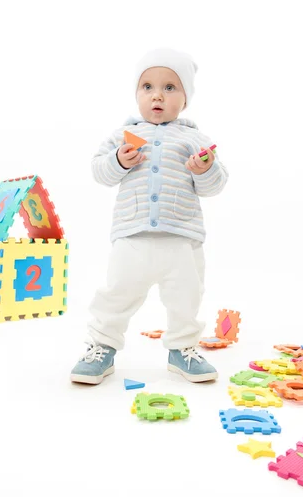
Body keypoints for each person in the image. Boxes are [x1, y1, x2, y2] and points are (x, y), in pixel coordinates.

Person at [70, 47, 229, 384]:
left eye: (170, 87)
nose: (157, 94)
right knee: (116, 293)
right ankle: (101, 346)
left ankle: (182, 350)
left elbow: (215, 185)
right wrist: (118, 160)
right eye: (148, 87)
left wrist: (205, 168)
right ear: (137, 94)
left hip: (182, 237)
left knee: (187, 296)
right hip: (133, 235)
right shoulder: (123, 136)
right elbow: (100, 172)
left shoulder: (194, 139)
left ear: (185, 98)